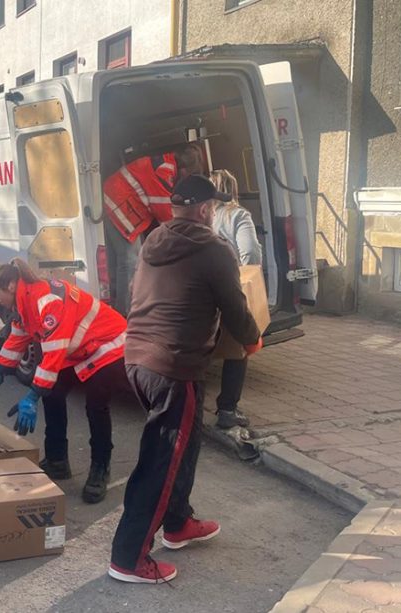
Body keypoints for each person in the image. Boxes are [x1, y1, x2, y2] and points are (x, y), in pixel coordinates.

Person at [107, 175, 262, 584]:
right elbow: (235, 307)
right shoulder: (214, 248)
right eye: (214, 208)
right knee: (162, 460)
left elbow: (136, 293)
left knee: (184, 445)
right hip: (173, 367)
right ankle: (128, 558)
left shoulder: (153, 242)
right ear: (206, 210)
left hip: (137, 358)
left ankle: (177, 523)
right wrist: (252, 339)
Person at [0, 259, 128, 503]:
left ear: (11, 286)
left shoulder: (47, 301)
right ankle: (57, 461)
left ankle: (100, 468)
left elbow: (53, 355)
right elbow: (17, 339)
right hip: (78, 347)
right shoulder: (23, 302)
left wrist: (33, 395)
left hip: (108, 345)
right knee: (53, 394)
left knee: (96, 406)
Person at [101, 144, 204, 314]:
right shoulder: (164, 174)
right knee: (130, 260)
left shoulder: (165, 164)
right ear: (185, 170)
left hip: (115, 198)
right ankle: (125, 313)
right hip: (118, 202)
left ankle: (119, 308)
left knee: (120, 261)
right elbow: (167, 218)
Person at [210, 169, 263, 430]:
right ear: (233, 189)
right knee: (237, 346)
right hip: (229, 289)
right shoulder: (238, 215)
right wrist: (247, 276)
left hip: (201, 292)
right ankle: (227, 409)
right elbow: (250, 252)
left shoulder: (201, 216)